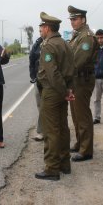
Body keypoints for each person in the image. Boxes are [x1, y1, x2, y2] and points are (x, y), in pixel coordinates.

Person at [35, 12, 75, 181]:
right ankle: (65, 163)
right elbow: (71, 69)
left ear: (47, 28)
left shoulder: (49, 46)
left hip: (52, 91)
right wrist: (68, 89)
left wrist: (64, 90)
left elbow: (52, 73)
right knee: (62, 128)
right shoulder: (65, 44)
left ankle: (52, 168)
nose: (41, 30)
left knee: (51, 130)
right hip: (61, 90)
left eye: (42, 27)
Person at [68, 5, 98, 162]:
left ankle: (86, 150)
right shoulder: (77, 35)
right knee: (76, 114)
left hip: (82, 79)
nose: (72, 22)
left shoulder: (86, 36)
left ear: (83, 19)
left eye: (75, 19)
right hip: (76, 79)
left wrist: (65, 71)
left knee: (83, 114)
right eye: (71, 19)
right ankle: (80, 143)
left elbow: (78, 60)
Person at [29, 30, 43, 141]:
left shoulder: (55, 42)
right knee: (40, 106)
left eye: (42, 29)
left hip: (52, 82)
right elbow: (32, 61)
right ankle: (42, 131)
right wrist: (33, 76)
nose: (41, 31)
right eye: (40, 30)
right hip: (38, 81)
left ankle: (54, 131)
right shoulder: (37, 44)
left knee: (52, 107)